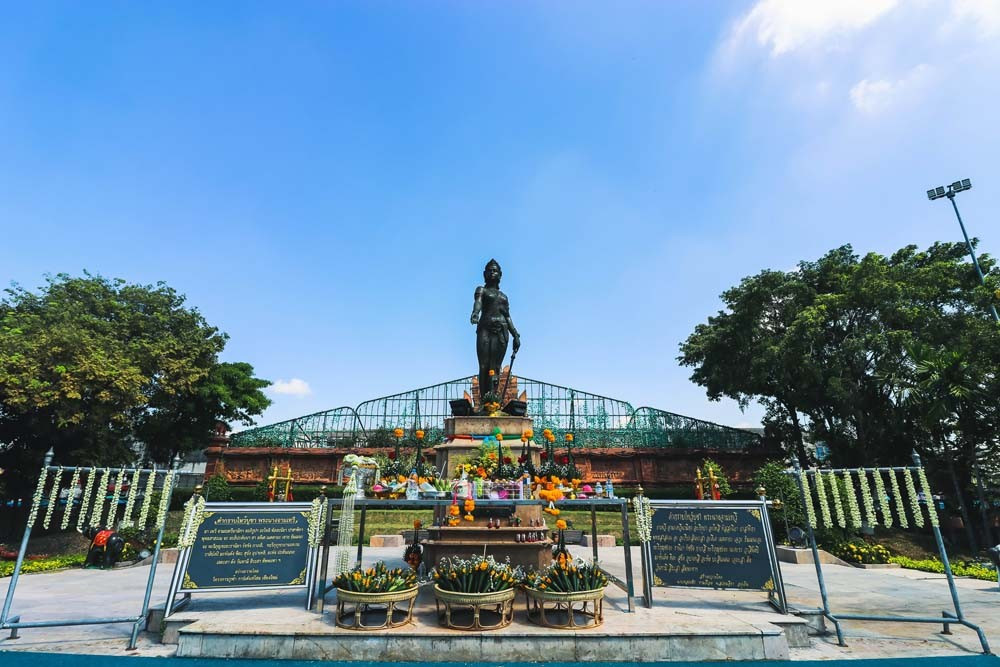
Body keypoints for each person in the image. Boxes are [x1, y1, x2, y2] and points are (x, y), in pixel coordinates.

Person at [470, 259, 520, 407]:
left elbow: (507, 316)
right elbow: (478, 302)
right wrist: (475, 313)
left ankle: (494, 402)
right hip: (485, 328)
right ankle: (484, 402)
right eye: (490, 270)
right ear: (484, 274)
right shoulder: (482, 290)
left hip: (502, 331)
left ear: (500, 275)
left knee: (496, 367)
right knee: (484, 365)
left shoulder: (503, 297)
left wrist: (516, 335)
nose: (492, 273)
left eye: (495, 270)